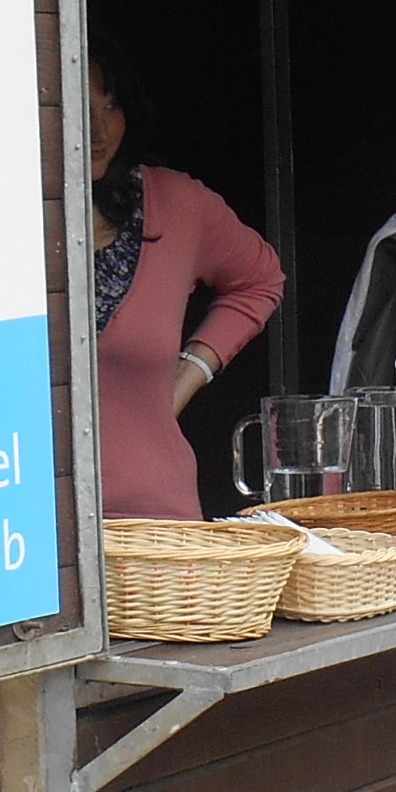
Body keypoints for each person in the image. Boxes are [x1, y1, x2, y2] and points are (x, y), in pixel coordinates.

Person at [88, 58, 282, 523]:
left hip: (158, 527)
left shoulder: (175, 204)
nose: (98, 130)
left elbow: (261, 279)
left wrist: (187, 375)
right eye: (79, 107)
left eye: (111, 107)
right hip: (17, 532)